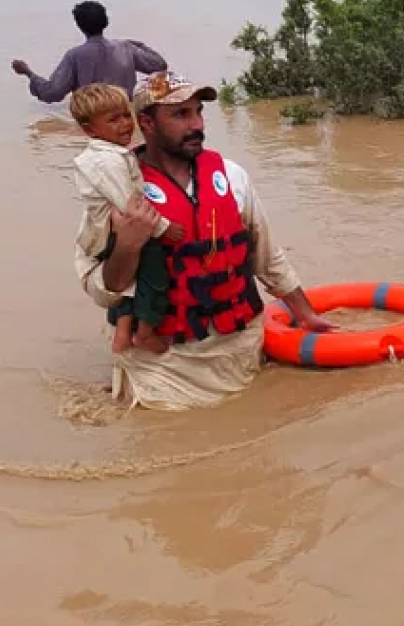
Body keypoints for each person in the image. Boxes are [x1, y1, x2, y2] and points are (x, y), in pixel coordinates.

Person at [74, 71, 334, 411]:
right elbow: (104, 289)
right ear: (146, 124)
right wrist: (128, 243)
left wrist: (305, 314)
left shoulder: (231, 176)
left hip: (239, 351)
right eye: (180, 114)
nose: (196, 124)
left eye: (198, 112)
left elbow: (267, 259)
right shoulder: (117, 191)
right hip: (165, 366)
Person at [69, 83, 183, 354]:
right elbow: (129, 205)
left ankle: (122, 333)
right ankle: (145, 332)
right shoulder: (106, 162)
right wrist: (165, 229)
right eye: (113, 119)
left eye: (125, 115)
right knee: (154, 270)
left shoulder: (109, 155)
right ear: (90, 130)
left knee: (130, 276)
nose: (124, 124)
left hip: (106, 231)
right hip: (112, 232)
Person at [11, 0, 168, 103]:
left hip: (95, 120)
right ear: (106, 22)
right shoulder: (125, 47)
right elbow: (159, 65)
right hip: (124, 115)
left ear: (79, 26)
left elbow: (53, 93)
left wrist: (28, 73)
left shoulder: (75, 56)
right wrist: (137, 44)